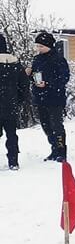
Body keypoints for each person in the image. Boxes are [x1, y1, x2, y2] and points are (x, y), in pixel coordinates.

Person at [29, 31, 70, 162]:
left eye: (41, 46)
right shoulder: (37, 59)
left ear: (49, 46)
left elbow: (64, 78)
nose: (38, 49)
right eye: (37, 46)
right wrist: (30, 75)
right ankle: (54, 149)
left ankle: (61, 151)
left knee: (56, 125)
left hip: (55, 98)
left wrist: (48, 84)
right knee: (46, 125)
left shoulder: (58, 60)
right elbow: (34, 76)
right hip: (40, 98)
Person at [0, 33, 29, 170]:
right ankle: (13, 161)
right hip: (11, 105)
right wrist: (19, 100)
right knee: (11, 134)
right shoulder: (15, 64)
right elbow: (24, 85)